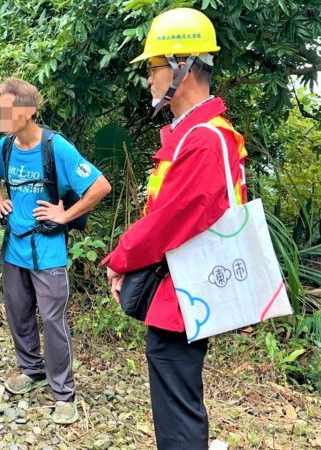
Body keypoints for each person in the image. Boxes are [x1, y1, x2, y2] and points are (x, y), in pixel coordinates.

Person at [103, 8, 248, 449]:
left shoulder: (205, 138)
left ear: (182, 67)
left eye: (154, 67)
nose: (149, 79)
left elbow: (172, 220)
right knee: (176, 392)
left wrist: (121, 258)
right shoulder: (198, 133)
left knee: (177, 404)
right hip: (181, 290)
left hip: (184, 293)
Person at [0, 77, 111, 424]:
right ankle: (31, 370)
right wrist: (0, 201)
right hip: (14, 248)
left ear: (26, 111)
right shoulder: (5, 147)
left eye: (6, 107)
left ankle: (64, 393)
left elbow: (100, 186)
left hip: (49, 250)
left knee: (53, 321)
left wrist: (65, 215)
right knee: (18, 312)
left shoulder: (57, 148)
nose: (0, 112)